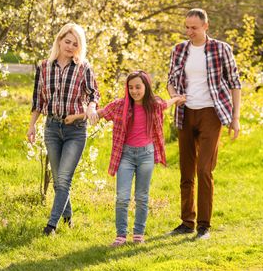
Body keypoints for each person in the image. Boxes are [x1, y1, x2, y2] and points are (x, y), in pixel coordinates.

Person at [69, 71, 184, 246]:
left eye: (138, 87)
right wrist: (76, 117)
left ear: (146, 87)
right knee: (122, 197)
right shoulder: (120, 106)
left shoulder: (154, 104)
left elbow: (167, 103)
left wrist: (178, 98)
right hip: (126, 156)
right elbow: (98, 113)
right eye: (131, 87)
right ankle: (121, 235)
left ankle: (138, 234)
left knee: (141, 197)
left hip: (146, 155)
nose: (134, 91)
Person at [167, 8, 241, 240]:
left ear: (205, 26)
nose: (189, 31)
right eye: (187, 27)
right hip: (186, 113)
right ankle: (187, 222)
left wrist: (235, 118)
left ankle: (204, 226)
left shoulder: (221, 49)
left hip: (212, 113)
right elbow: (170, 81)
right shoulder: (179, 50)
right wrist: (175, 96)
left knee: (204, 169)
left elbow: (235, 83)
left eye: (194, 28)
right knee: (186, 171)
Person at [27, 23, 100, 236]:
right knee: (59, 178)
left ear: (80, 47)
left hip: (75, 130)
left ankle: (51, 225)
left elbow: (93, 94)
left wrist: (91, 107)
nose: (70, 47)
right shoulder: (44, 67)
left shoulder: (83, 67)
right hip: (51, 127)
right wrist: (32, 125)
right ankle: (67, 215)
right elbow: (38, 100)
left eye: (75, 44)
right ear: (59, 41)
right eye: (67, 41)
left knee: (64, 178)